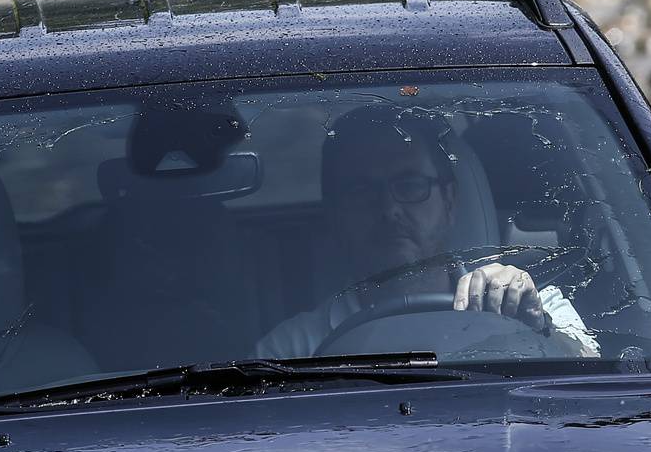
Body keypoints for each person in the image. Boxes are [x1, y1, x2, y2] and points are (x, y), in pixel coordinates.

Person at [255, 106, 600, 359]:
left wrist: (537, 327)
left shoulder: (536, 303)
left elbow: (593, 393)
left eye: (410, 185)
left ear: (450, 201)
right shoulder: (290, 350)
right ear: (335, 212)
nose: (388, 209)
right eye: (362, 191)